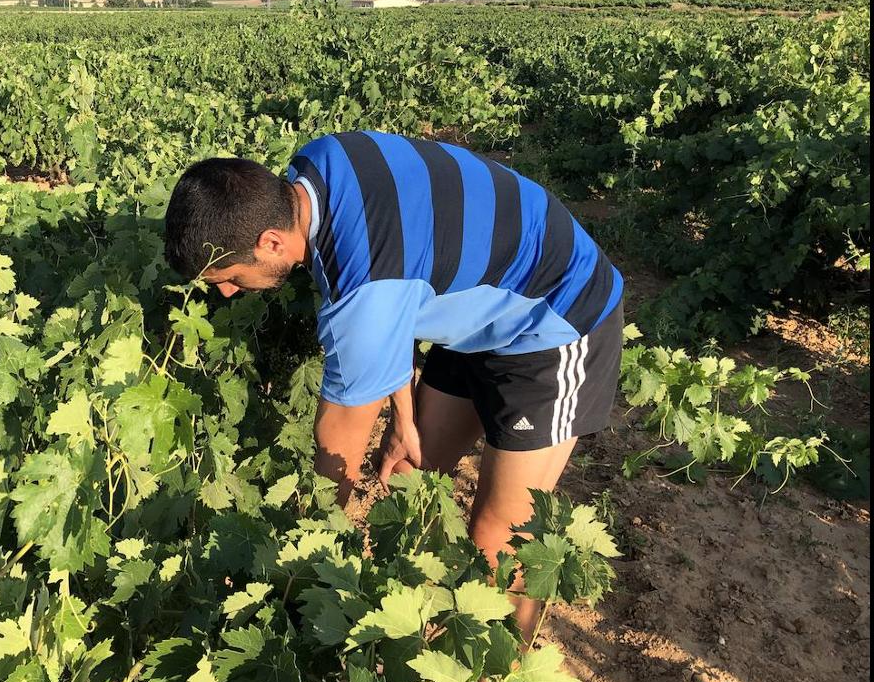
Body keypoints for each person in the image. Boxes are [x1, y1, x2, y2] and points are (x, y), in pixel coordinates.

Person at [163, 130, 624, 641]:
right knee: (410, 472)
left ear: (271, 241)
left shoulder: (364, 291)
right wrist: (403, 418)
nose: (227, 292)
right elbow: (398, 278)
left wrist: (304, 567)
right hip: (476, 305)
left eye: (226, 276)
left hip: (556, 316)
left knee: (501, 542)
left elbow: (336, 449)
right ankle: (414, 623)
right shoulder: (316, 165)